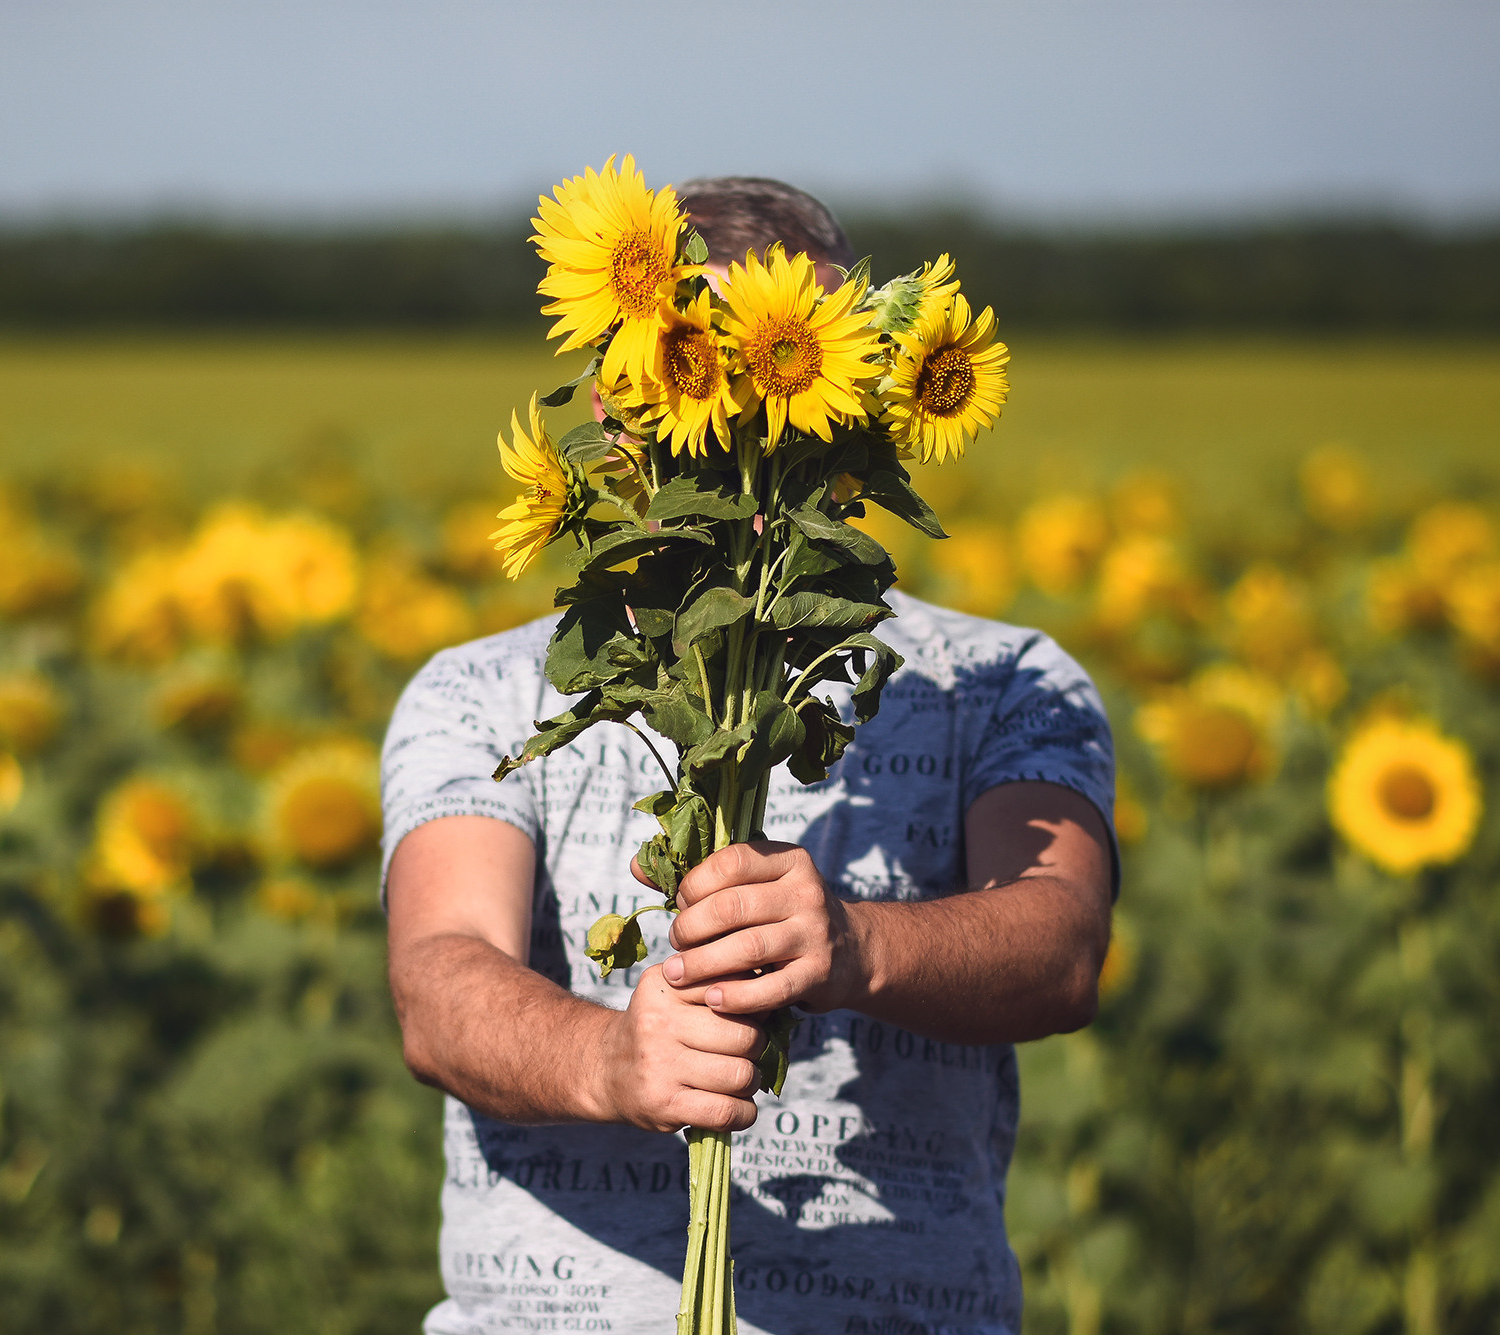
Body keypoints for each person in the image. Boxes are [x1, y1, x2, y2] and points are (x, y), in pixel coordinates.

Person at [382, 176, 1117, 1335]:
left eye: (777, 365)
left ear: (853, 388)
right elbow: (439, 981)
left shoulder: (1003, 680)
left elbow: (1060, 946)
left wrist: (853, 947)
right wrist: (611, 1064)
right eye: (689, 367)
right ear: (621, 396)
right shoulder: (484, 691)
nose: (730, 423)